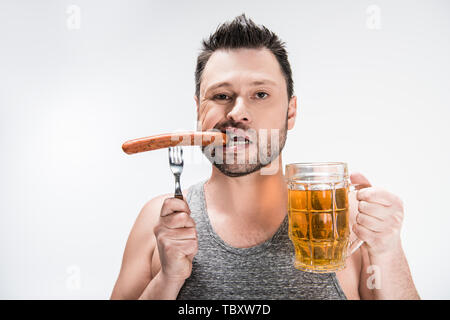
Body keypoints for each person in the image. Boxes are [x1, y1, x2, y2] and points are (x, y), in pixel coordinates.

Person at [111, 14, 419, 300]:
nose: (237, 113)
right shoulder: (156, 221)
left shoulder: (347, 219)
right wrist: (168, 278)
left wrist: (388, 249)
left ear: (291, 111)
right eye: (221, 96)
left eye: (260, 95)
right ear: (198, 111)